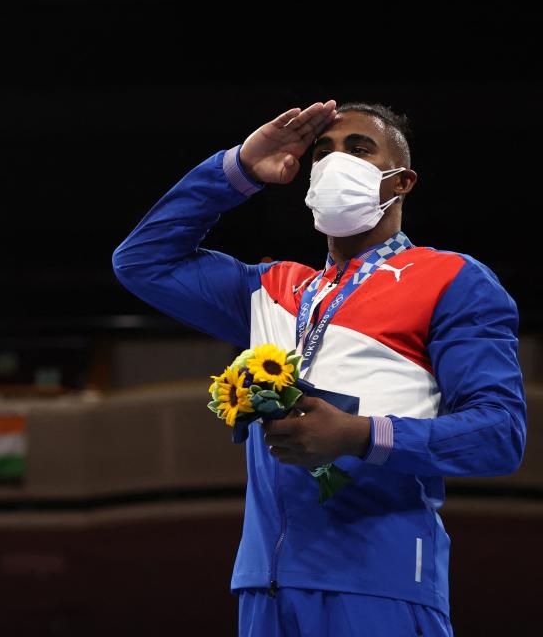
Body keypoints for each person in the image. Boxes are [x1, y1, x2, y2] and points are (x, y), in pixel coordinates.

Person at [112, 100, 526, 636]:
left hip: (381, 580)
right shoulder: (272, 291)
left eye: (359, 149)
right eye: (323, 152)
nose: (336, 162)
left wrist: (359, 436)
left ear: (401, 183)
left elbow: (499, 434)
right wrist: (238, 168)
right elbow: (143, 260)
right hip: (266, 583)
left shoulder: (451, 280)